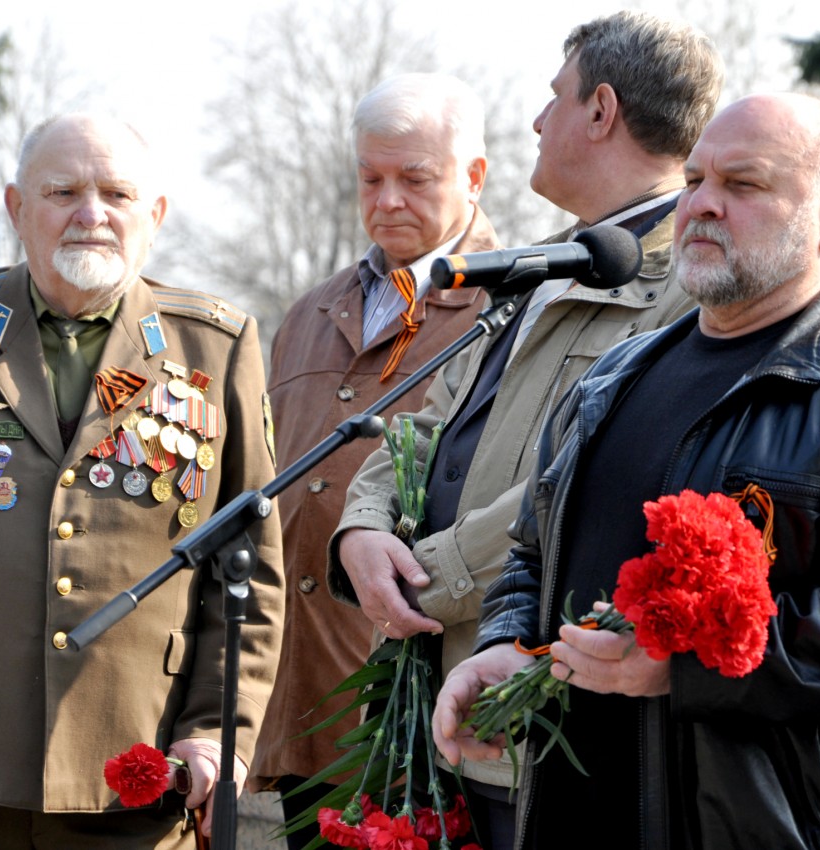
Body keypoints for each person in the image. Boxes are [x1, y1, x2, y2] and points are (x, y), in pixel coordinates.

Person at [432, 92, 820, 849]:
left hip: (789, 828)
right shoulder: (615, 376)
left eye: (743, 185)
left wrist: (689, 665)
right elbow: (534, 550)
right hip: (581, 812)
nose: (701, 205)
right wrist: (506, 643)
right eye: (696, 180)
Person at [327, 11, 722, 846]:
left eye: (554, 99)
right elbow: (428, 420)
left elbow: (592, 486)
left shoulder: (685, 287)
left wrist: (419, 578)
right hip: (442, 684)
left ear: (601, 110)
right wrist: (361, 532)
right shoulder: (548, 261)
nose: (538, 123)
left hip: (542, 713)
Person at [0, 113, 285, 849]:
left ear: (152, 216)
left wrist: (221, 735)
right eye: (63, 191)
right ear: (16, 208)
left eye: (117, 194)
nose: (92, 214)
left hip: (139, 765)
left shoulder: (214, 348)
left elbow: (248, 574)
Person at [247, 72, 498, 848]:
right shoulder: (307, 314)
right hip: (304, 704)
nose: (387, 199)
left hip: (425, 712)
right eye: (370, 178)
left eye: (414, 179)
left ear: (474, 178)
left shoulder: (517, 308)